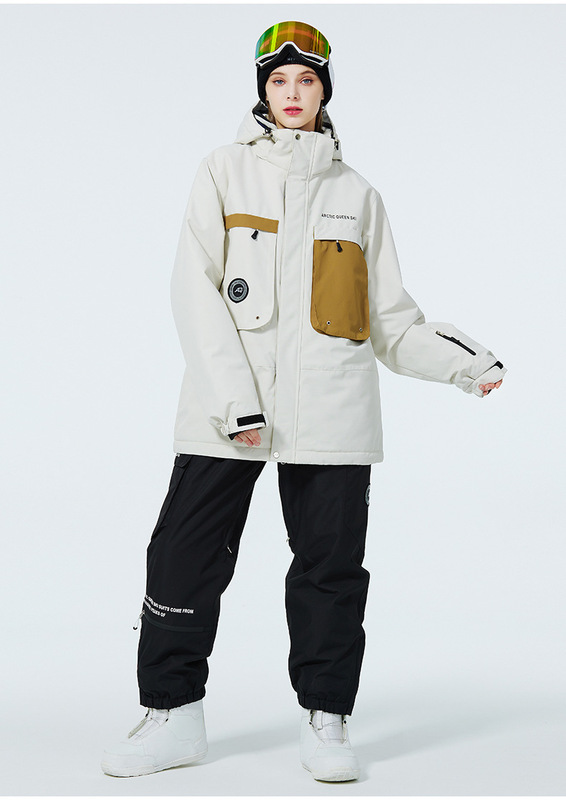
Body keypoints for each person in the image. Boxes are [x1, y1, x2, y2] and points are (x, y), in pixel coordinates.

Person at [101, 20, 506, 783]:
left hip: (334, 412)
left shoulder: (359, 196)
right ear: (263, 89)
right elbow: (194, 292)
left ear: (324, 91)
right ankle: (173, 714)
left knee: (331, 570)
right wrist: (234, 400)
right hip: (229, 412)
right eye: (279, 80)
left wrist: (465, 365)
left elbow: (390, 322)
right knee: (183, 556)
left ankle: (327, 716)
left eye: (307, 81)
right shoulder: (223, 171)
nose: (292, 93)